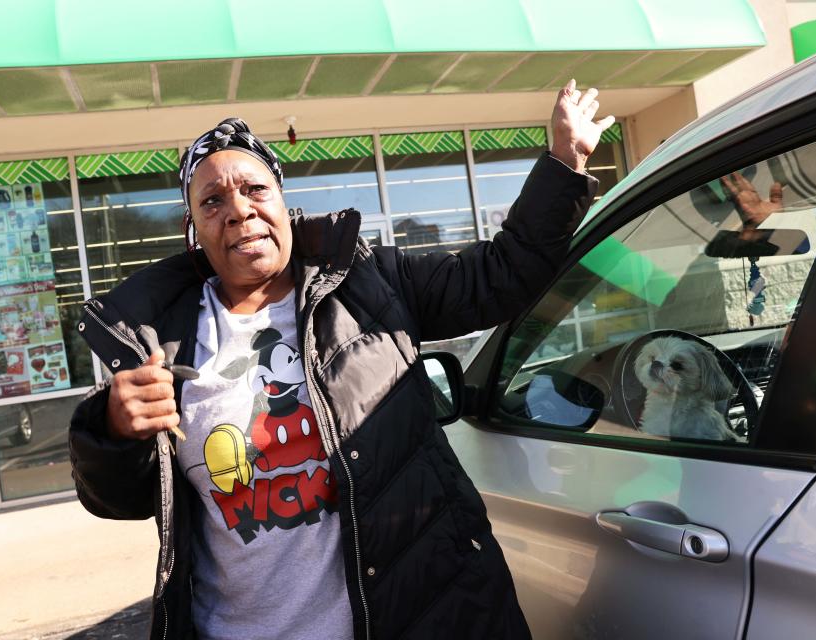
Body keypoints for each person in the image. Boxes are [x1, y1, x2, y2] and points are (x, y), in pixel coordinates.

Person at [70, 80, 610, 640]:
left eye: (254, 188)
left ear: (283, 203)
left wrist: (563, 164)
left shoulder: (373, 284)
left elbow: (498, 277)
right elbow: (120, 500)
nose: (238, 210)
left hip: (417, 617)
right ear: (194, 232)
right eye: (212, 201)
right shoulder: (161, 342)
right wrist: (113, 430)